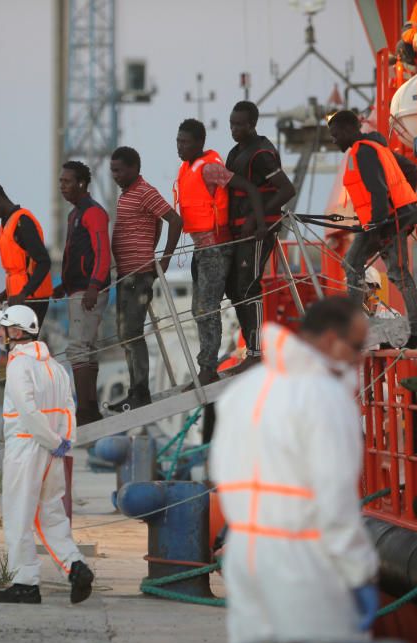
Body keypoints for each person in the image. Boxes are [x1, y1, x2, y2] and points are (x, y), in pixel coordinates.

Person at [210, 297, 379, 643]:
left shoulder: (245, 389)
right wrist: (359, 572)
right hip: (302, 559)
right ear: (332, 340)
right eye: (357, 345)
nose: (361, 356)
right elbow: (335, 499)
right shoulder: (326, 397)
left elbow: (219, 469)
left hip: (244, 553)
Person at [0, 305, 95, 605]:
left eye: (4, 328)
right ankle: (76, 567)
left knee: (18, 516)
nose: (0, 334)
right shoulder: (55, 367)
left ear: (17, 332)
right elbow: (68, 408)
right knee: (51, 514)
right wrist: (64, 442)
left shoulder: (18, 365)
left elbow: (27, 412)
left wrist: (50, 440)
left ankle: (25, 582)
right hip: (54, 452)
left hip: (26, 448)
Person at [174, 118, 266, 386]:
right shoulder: (187, 167)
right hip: (200, 248)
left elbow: (247, 188)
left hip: (216, 247)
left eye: (185, 142)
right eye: (178, 141)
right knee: (198, 309)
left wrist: (259, 223)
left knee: (207, 308)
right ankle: (207, 366)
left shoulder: (210, 169)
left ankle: (208, 369)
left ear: (199, 143)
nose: (179, 147)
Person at [328, 110, 417, 348]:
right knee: (391, 272)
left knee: (375, 268)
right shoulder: (377, 148)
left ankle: (357, 328)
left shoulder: (363, 152)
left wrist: (380, 222)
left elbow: (378, 190)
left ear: (350, 129)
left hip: (385, 222)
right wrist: (405, 206)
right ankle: (416, 330)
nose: (333, 139)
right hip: (390, 219)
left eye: (335, 134)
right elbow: (410, 169)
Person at [107, 146, 184, 411]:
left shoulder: (144, 191)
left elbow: (174, 220)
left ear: (133, 169)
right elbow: (159, 222)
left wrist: (164, 258)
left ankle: (140, 392)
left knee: (132, 333)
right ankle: (134, 391)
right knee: (124, 335)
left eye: (119, 170)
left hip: (138, 276)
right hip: (125, 274)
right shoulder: (127, 195)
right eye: (112, 171)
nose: (114, 175)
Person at [224, 101, 297, 375]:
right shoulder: (235, 152)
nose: (234, 129)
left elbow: (286, 189)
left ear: (252, 124)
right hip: (239, 230)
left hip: (258, 230)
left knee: (247, 286)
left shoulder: (262, 153)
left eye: (239, 124)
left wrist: (256, 219)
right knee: (234, 288)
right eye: (232, 123)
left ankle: (256, 353)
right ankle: (251, 351)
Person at [55, 161, 111, 425]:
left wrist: (94, 285)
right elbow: (72, 253)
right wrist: (64, 285)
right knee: (87, 347)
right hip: (77, 288)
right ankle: (89, 408)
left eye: (67, 181)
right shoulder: (74, 214)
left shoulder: (93, 213)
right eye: (61, 181)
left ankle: (84, 411)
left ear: (81, 183)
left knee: (78, 348)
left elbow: (102, 252)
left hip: (89, 290)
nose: (62, 186)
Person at [0, 182, 53, 328]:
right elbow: (20, 268)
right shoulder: (6, 224)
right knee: (14, 346)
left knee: (21, 345)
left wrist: (24, 294)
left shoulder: (22, 222)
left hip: (32, 299)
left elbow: (44, 262)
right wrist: (5, 294)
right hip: (19, 298)